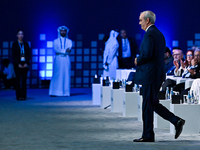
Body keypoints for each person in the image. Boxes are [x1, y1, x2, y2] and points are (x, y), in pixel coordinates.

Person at [134, 11, 185, 142]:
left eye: (140, 20)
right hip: (156, 74)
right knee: (153, 103)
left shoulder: (150, 34)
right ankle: (176, 121)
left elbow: (146, 54)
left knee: (147, 105)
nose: (139, 23)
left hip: (150, 75)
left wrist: (137, 60)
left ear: (147, 20)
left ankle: (148, 135)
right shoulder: (159, 34)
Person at [49, 26, 72, 97]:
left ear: (66, 32)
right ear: (59, 32)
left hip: (66, 59)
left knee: (66, 75)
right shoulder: (55, 41)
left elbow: (69, 49)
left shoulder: (69, 41)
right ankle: (55, 92)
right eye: (62, 31)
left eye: (64, 31)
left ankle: (65, 92)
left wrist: (64, 51)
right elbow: (56, 49)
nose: (63, 32)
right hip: (58, 60)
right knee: (57, 74)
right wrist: (64, 51)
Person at [12, 29, 31, 100]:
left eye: (22, 34)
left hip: (25, 64)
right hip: (17, 65)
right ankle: (18, 95)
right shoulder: (14, 44)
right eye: (19, 34)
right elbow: (14, 55)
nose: (21, 35)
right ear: (17, 35)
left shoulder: (26, 44)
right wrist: (18, 63)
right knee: (17, 80)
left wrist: (26, 63)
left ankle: (23, 95)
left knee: (24, 80)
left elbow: (28, 54)